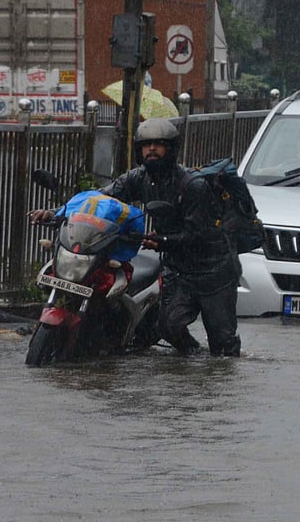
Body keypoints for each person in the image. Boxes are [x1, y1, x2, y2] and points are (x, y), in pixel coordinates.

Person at [75, 119, 240, 356]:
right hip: (178, 269)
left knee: (223, 345)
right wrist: (59, 212)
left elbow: (198, 234)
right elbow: (100, 199)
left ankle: (217, 376)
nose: (152, 149)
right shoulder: (137, 178)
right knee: (169, 327)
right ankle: (194, 361)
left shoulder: (193, 185)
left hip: (214, 271)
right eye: (146, 144)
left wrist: (162, 240)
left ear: (171, 148)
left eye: (159, 144)